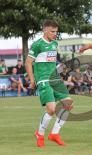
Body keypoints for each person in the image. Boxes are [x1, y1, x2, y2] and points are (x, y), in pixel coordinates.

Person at [25, 19, 74, 148]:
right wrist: (32, 80)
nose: (54, 34)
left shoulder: (54, 43)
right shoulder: (37, 45)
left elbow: (51, 61)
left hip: (55, 79)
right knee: (51, 109)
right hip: (43, 80)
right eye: (52, 31)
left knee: (68, 103)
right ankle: (40, 134)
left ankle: (54, 134)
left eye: (56, 32)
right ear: (45, 30)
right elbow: (28, 63)